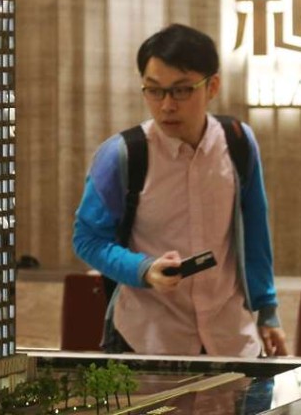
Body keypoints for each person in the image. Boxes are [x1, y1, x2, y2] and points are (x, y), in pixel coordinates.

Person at [72, 23, 288, 357]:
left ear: (212, 86)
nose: (166, 106)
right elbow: (88, 240)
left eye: (182, 90)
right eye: (154, 90)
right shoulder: (122, 154)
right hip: (148, 339)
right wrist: (143, 268)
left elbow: (255, 231)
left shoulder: (238, 141)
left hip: (231, 336)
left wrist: (267, 309)